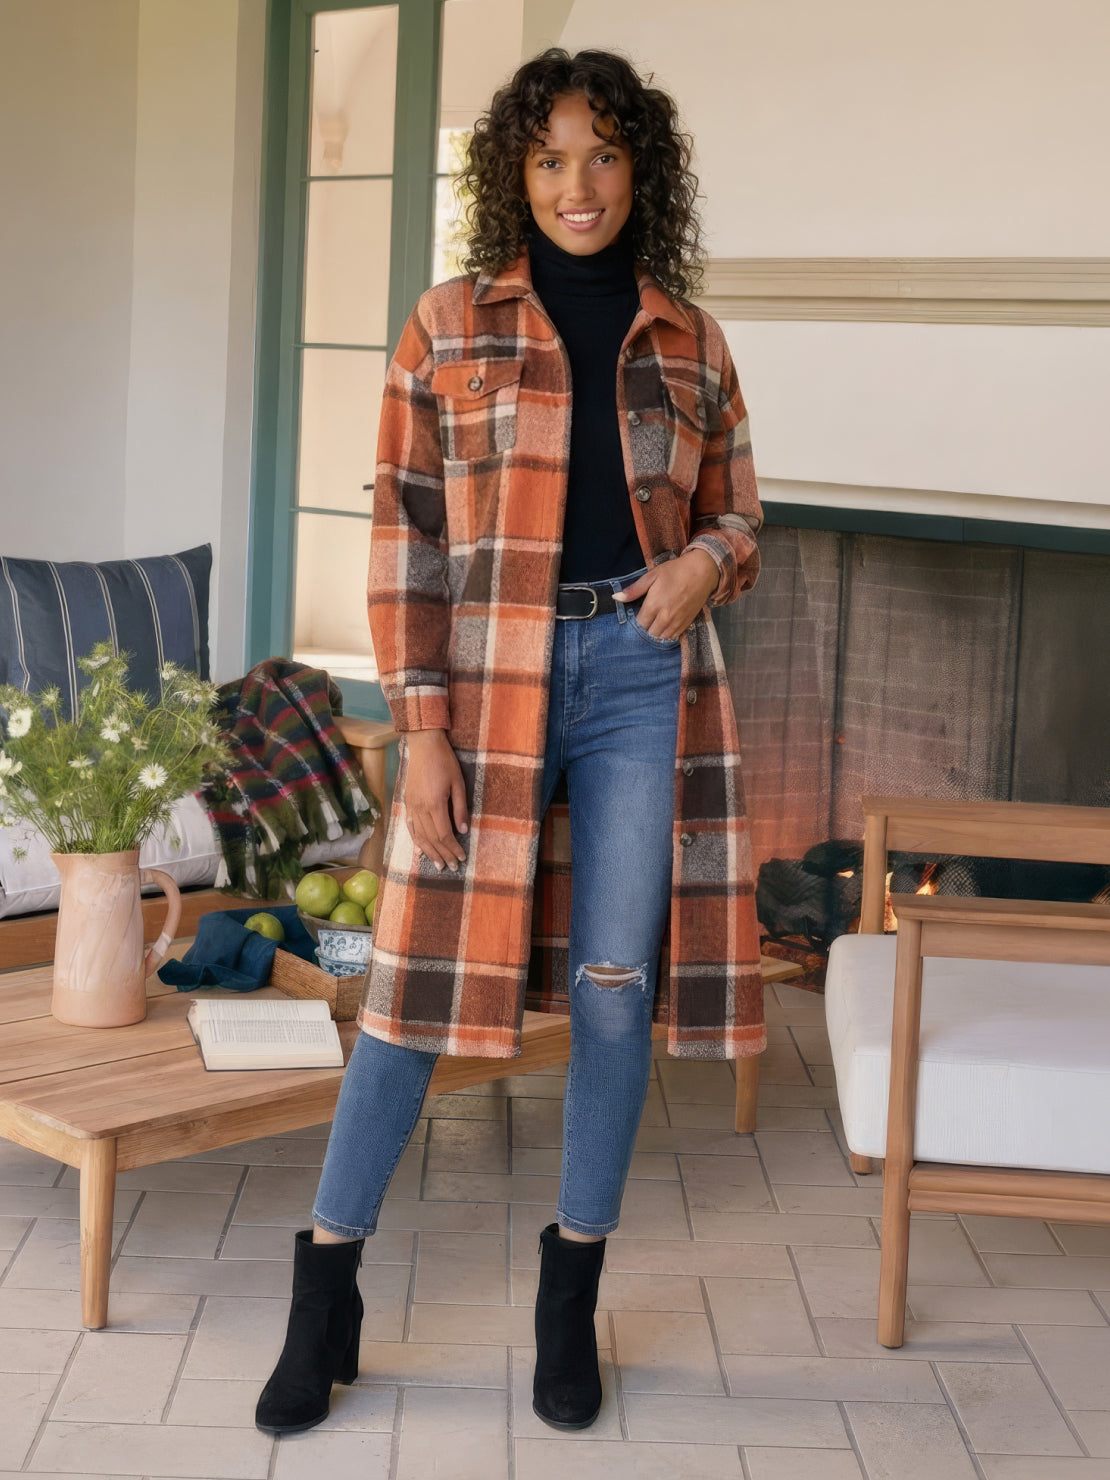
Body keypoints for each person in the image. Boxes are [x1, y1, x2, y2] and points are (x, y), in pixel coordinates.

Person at [256, 45, 764, 1439]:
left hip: (638, 677)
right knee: (413, 988)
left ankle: (568, 1294)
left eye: (602, 155)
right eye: (549, 159)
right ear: (515, 176)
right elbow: (403, 540)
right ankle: (324, 1292)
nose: (577, 184)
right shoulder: (447, 325)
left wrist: (705, 564)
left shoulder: (693, 340)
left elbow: (740, 514)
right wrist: (419, 730)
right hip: (486, 689)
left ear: (640, 169)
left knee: (612, 991)